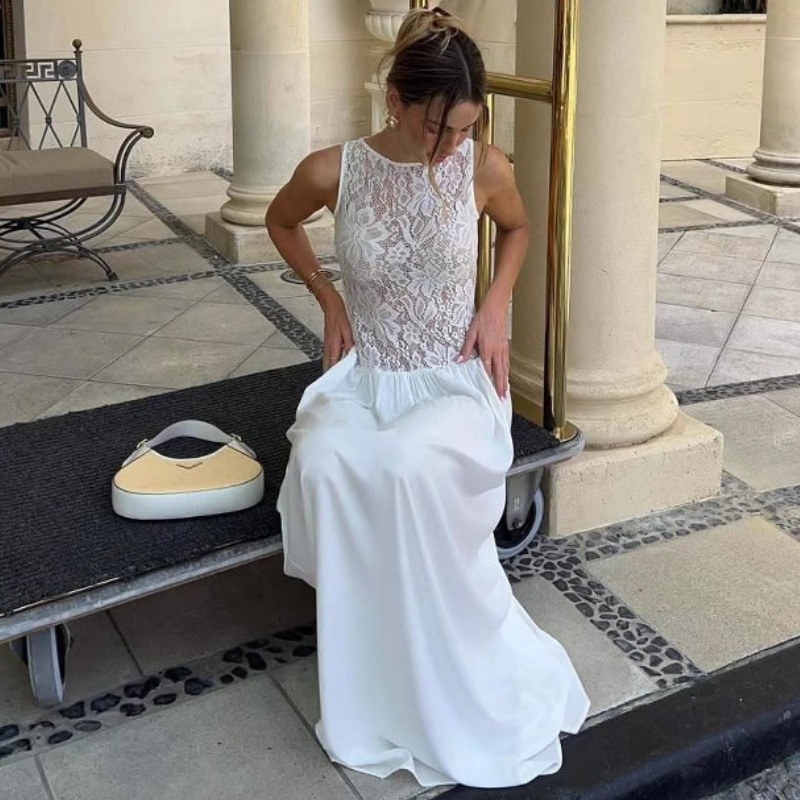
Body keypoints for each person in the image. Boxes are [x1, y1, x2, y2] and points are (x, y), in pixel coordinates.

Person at [265, 7, 589, 789]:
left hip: (452, 381)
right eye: (436, 127)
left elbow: (518, 231)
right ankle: (373, 673)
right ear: (394, 102)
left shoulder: (484, 167)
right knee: (325, 461)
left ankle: (443, 667)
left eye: (464, 128)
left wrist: (495, 307)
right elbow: (280, 221)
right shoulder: (333, 169)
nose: (449, 145)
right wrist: (327, 298)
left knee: (407, 468)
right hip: (367, 376)